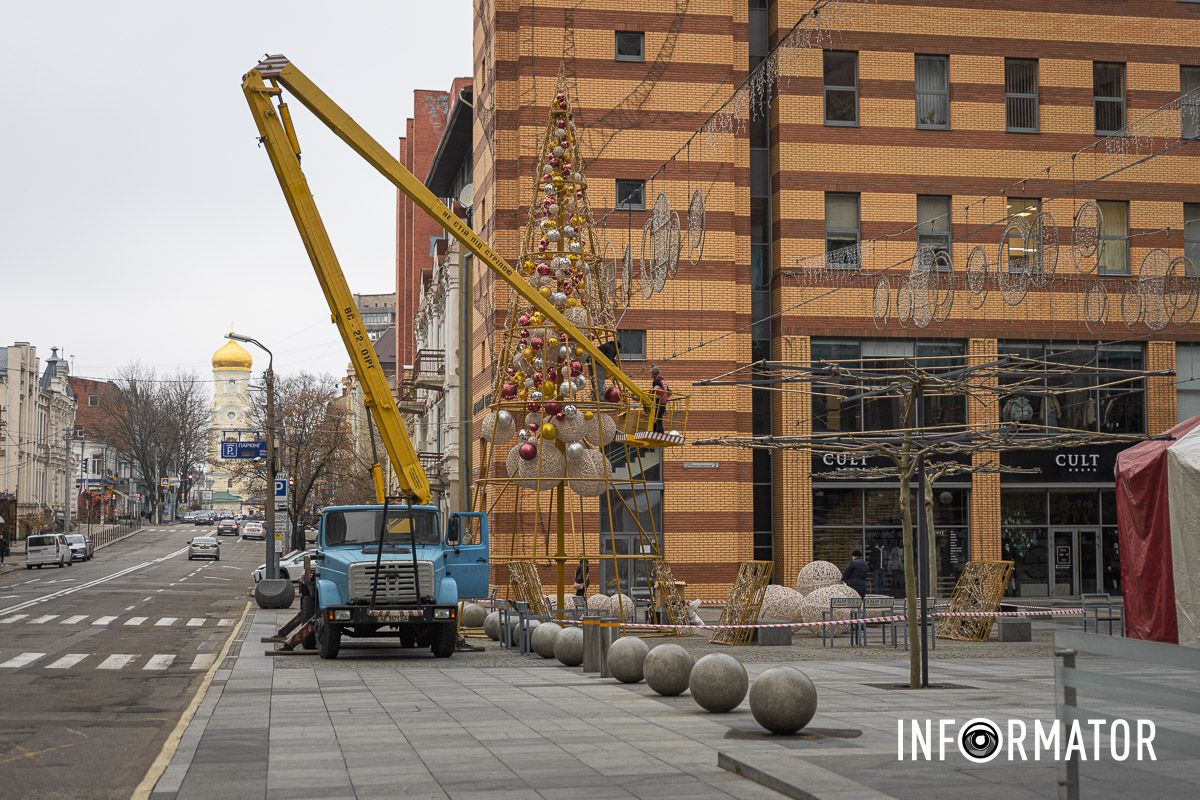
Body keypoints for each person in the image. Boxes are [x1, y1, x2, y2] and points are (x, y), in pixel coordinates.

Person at [650, 365, 670, 433]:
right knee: (658, 418)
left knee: (657, 418)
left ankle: (658, 433)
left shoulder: (656, 380)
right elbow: (669, 392)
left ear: (654, 373)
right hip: (663, 403)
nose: (650, 374)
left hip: (659, 402)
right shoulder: (662, 379)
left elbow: (653, 392)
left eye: (651, 372)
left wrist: (650, 398)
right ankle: (656, 431)